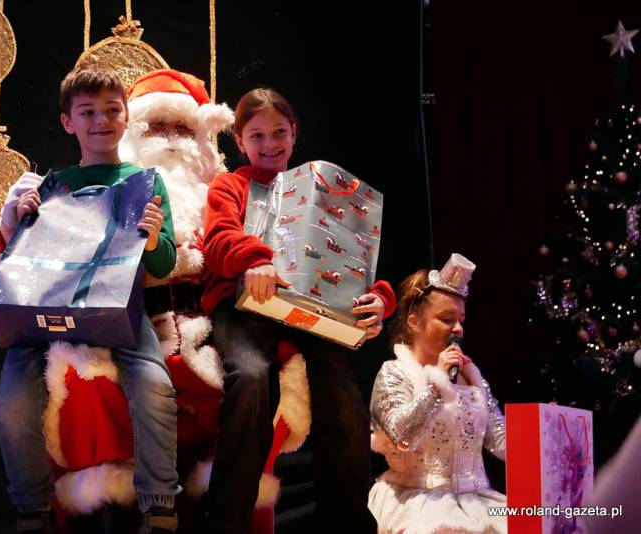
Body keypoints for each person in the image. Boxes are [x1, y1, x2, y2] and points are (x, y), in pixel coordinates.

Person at [0, 67, 180, 534]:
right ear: (67, 122)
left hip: (121, 310)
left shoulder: (146, 182)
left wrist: (153, 237)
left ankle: (159, 508)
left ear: (126, 116)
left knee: (155, 388)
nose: (101, 121)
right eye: (88, 112)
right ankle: (32, 511)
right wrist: (18, 221)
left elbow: (163, 265)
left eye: (112, 110)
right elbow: (18, 263)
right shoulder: (51, 185)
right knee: (11, 402)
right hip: (46, 309)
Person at [200, 87, 396, 534]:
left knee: (342, 395)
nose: (270, 144)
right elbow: (218, 241)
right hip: (247, 305)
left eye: (279, 133)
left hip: (310, 307)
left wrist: (378, 298)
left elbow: (352, 256)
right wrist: (254, 259)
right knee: (250, 378)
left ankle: (346, 526)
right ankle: (226, 523)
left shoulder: (320, 189)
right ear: (238, 140)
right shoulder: (231, 185)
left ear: (294, 132)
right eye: (257, 135)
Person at [368, 253, 507, 534]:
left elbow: (501, 441)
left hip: (477, 499)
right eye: (446, 319)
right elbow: (402, 436)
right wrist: (438, 383)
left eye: (461, 320)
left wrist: (545, 434)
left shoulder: (472, 377)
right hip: (417, 499)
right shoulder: (395, 373)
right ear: (414, 322)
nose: (458, 329)